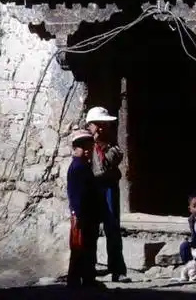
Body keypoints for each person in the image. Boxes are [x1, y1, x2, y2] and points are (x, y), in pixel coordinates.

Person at [85, 106, 131, 283]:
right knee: (91, 230)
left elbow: (107, 164)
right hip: (92, 189)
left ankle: (117, 270)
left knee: (112, 228)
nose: (103, 128)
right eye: (99, 124)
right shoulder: (85, 143)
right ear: (92, 125)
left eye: (105, 124)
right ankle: (89, 270)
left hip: (109, 188)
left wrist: (100, 146)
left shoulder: (111, 145)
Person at [66, 129, 101, 289]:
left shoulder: (83, 166)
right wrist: (77, 213)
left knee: (87, 247)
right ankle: (78, 279)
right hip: (82, 214)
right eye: (83, 147)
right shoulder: (77, 167)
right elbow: (75, 193)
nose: (87, 150)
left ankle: (86, 278)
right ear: (75, 148)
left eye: (89, 147)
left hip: (88, 213)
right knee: (80, 247)